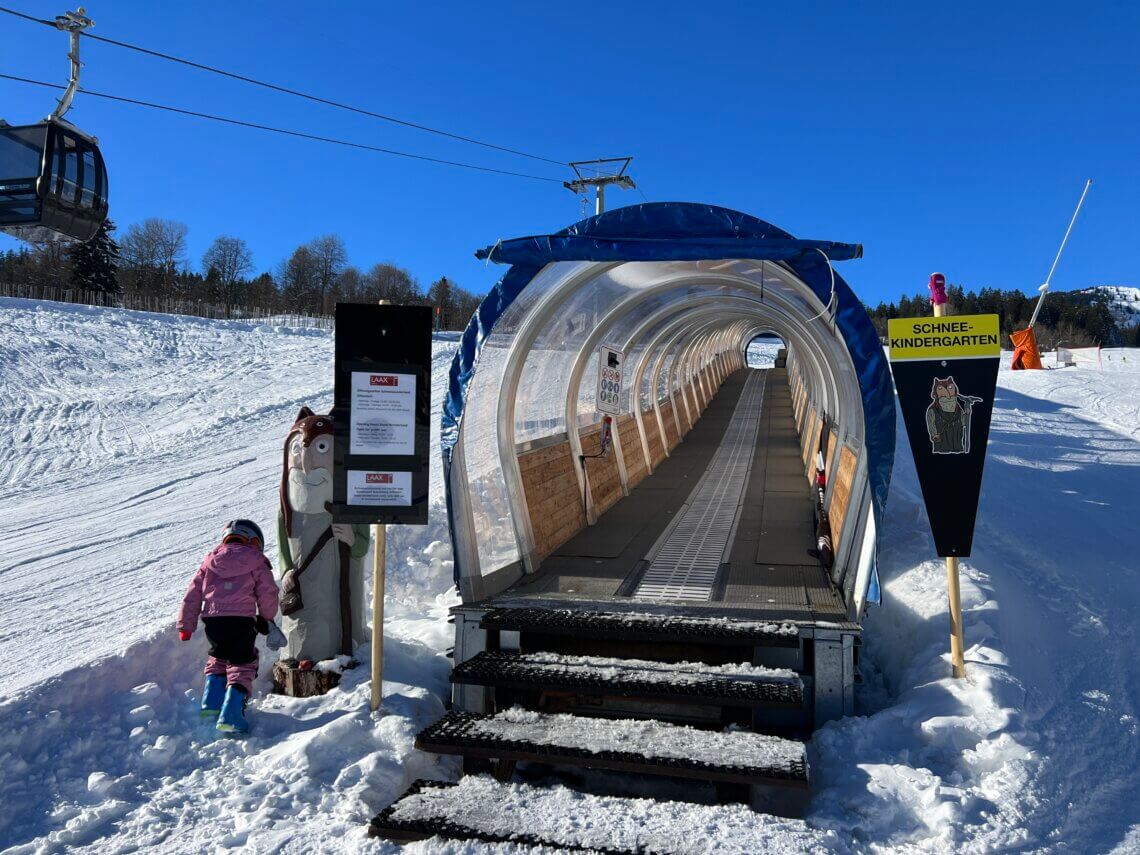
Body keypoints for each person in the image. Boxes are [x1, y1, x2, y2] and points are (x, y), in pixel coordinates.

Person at [178, 519, 281, 734]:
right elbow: (268, 591)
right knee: (243, 662)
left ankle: (212, 701)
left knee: (219, 655)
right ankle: (232, 714)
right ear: (255, 541)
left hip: (213, 621)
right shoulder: (257, 560)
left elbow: (192, 595)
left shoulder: (210, 561)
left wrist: (186, 625)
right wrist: (266, 617)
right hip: (242, 621)